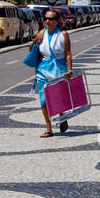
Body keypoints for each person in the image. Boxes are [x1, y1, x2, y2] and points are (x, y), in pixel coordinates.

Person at [30, 8, 73, 138]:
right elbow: (31, 50)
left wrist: (70, 69)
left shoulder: (63, 34)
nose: (47, 21)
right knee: (43, 100)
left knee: (57, 98)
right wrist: (35, 40)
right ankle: (48, 128)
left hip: (58, 68)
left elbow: (68, 53)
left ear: (57, 21)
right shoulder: (41, 33)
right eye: (46, 19)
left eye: (51, 19)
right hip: (42, 69)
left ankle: (62, 117)